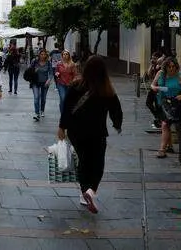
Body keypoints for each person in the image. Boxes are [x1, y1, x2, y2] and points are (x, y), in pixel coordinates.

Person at [57, 55, 123, 214]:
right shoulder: (107, 89)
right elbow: (116, 110)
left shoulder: (76, 86)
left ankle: (84, 191)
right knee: (98, 162)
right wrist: (117, 124)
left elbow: (66, 107)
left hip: (76, 131)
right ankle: (91, 190)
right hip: (97, 132)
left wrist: (62, 127)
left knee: (84, 160)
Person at [150, 57, 181, 158]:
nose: (171, 69)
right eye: (169, 66)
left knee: (165, 124)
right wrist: (154, 88)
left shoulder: (179, 76)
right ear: (165, 67)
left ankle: (162, 149)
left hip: (174, 103)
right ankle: (169, 146)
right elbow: (152, 84)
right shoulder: (160, 74)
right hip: (162, 102)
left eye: (173, 66)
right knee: (166, 125)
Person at [29, 48, 54, 121]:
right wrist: (34, 71)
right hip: (35, 82)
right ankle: (37, 113)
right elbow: (29, 71)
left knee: (43, 98)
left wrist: (49, 80)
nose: (43, 56)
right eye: (41, 54)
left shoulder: (48, 62)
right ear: (39, 55)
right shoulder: (34, 61)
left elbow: (51, 73)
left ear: (46, 55)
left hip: (45, 83)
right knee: (36, 98)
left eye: (44, 54)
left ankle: (42, 110)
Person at [54, 51, 78, 116]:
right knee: (63, 98)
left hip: (70, 84)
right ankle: (63, 114)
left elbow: (75, 74)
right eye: (64, 54)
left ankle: (67, 112)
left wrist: (73, 81)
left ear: (69, 55)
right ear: (62, 56)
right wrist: (57, 74)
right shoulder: (59, 64)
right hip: (61, 84)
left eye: (66, 54)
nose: (65, 55)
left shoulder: (72, 64)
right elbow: (56, 72)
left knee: (68, 99)